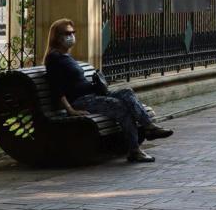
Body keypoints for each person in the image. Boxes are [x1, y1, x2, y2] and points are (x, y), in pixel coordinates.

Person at [44, 19, 173, 163]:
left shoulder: (66, 57)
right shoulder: (54, 58)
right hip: (81, 101)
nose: (71, 36)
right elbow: (56, 87)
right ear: (57, 36)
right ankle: (135, 149)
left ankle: (148, 127)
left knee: (126, 92)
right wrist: (71, 109)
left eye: (73, 32)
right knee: (120, 107)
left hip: (93, 96)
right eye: (67, 33)